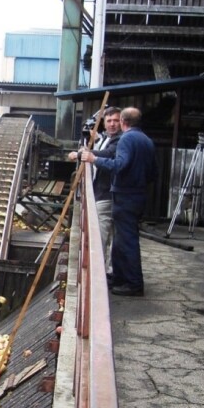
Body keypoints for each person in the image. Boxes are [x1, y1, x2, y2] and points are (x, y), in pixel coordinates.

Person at [80, 107, 156, 297]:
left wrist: (94, 159)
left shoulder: (126, 139)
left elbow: (119, 165)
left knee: (127, 241)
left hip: (125, 195)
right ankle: (120, 277)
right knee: (121, 241)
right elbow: (153, 172)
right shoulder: (146, 140)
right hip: (137, 194)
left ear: (123, 122)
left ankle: (134, 283)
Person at [68, 106, 121, 276]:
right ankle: (106, 269)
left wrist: (79, 154)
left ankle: (100, 272)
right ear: (104, 124)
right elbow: (102, 145)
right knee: (107, 234)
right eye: (109, 121)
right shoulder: (107, 137)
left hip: (107, 194)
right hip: (102, 191)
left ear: (122, 122)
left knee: (102, 234)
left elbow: (107, 153)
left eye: (116, 121)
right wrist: (96, 139)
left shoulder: (120, 140)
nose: (112, 124)